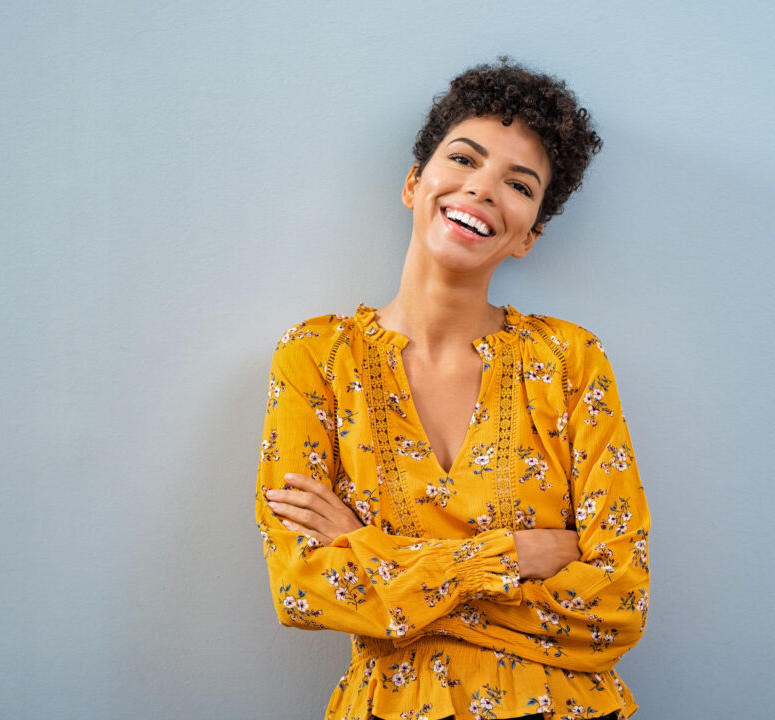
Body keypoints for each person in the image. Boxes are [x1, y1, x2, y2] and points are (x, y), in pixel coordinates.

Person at [255, 60, 650, 720]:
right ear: (415, 183)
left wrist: (380, 565)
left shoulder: (569, 360)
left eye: (519, 185)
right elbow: (302, 591)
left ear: (529, 235)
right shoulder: (316, 359)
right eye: (464, 158)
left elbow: (618, 605)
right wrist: (511, 556)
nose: (482, 188)